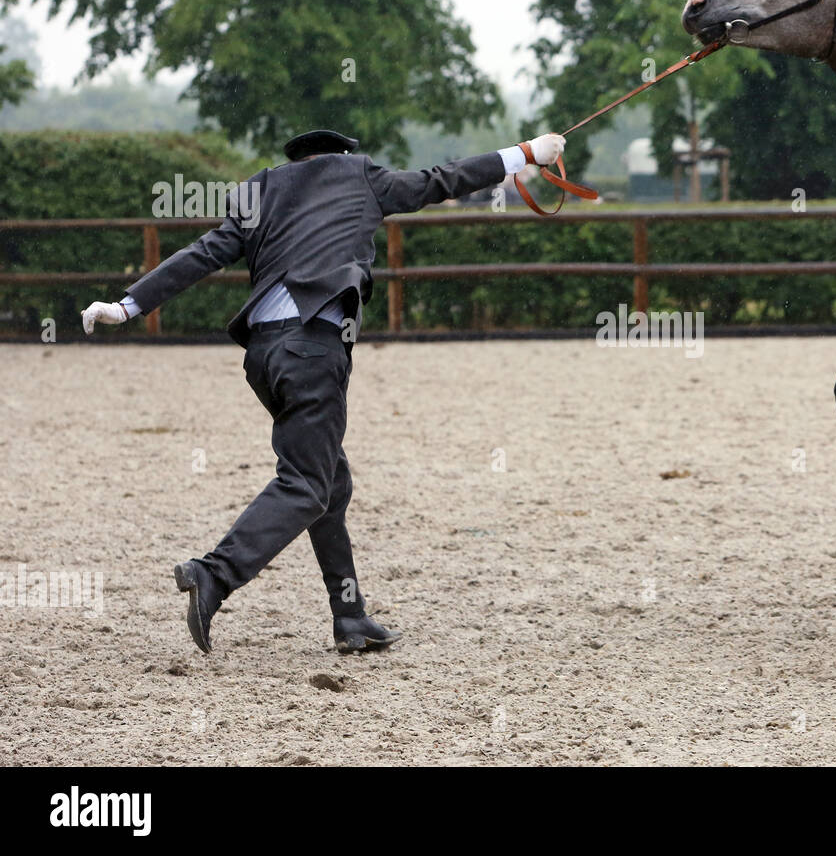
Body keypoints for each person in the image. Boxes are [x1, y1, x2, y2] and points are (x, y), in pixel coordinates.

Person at [80, 129, 565, 654]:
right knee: (307, 484)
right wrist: (526, 155)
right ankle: (213, 574)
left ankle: (350, 616)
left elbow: (204, 253)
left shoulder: (260, 190)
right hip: (312, 350)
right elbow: (441, 181)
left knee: (330, 482)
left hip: (263, 356)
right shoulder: (358, 176)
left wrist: (127, 306)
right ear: (340, 156)